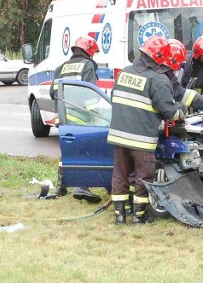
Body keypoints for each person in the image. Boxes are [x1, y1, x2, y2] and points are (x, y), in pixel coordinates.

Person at [107, 36, 185, 224]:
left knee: (120, 174)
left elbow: (114, 98)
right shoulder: (157, 79)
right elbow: (169, 111)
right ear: (160, 58)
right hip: (142, 141)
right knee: (144, 177)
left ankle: (120, 216)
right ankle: (139, 216)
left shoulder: (124, 73)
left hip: (118, 137)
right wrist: (181, 113)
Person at [52, 36, 100, 201]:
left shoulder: (62, 67)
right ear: (90, 52)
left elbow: (53, 92)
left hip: (64, 117)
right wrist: (96, 117)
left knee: (66, 152)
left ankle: (60, 186)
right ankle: (82, 186)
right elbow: (91, 93)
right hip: (81, 116)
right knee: (86, 150)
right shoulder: (87, 66)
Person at [166, 39, 203, 112]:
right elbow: (166, 103)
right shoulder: (162, 78)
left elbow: (181, 93)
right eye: (178, 64)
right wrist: (181, 111)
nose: (178, 68)